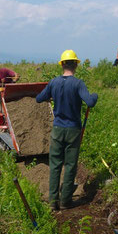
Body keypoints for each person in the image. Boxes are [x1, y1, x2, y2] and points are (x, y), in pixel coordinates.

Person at [36, 50, 98, 211]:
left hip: (57, 129)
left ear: (62, 64)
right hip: (73, 130)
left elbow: (39, 98)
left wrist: (51, 95)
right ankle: (65, 202)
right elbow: (90, 102)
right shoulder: (78, 84)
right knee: (70, 165)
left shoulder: (53, 82)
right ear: (76, 65)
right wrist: (95, 96)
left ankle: (52, 201)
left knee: (55, 164)